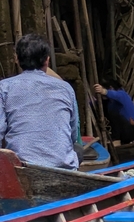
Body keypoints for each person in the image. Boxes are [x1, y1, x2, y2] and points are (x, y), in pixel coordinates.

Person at [0, 33, 79, 169]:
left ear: (17, 59)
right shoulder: (66, 88)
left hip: (22, 167)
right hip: (64, 167)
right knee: (79, 149)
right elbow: (73, 134)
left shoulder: (4, 87)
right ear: (47, 60)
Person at [94, 79, 134, 144]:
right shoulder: (110, 104)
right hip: (125, 132)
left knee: (114, 114)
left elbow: (116, 95)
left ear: (110, 88)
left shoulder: (122, 94)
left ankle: (116, 139)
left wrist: (104, 91)